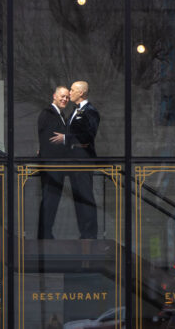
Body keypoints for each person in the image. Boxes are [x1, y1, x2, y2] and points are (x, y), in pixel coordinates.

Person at [63, 80, 99, 238]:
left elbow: (88, 135)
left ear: (81, 93)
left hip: (83, 159)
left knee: (85, 195)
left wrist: (66, 138)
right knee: (78, 197)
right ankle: (83, 232)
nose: (69, 93)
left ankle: (89, 234)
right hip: (73, 160)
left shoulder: (90, 111)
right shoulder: (74, 111)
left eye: (72, 90)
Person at [36, 86, 71, 239]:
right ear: (54, 96)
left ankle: (46, 233)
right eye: (62, 96)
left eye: (67, 97)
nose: (64, 99)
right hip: (52, 166)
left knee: (52, 200)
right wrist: (67, 140)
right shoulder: (48, 113)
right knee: (50, 200)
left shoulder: (60, 114)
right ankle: (45, 234)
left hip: (56, 166)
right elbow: (49, 140)